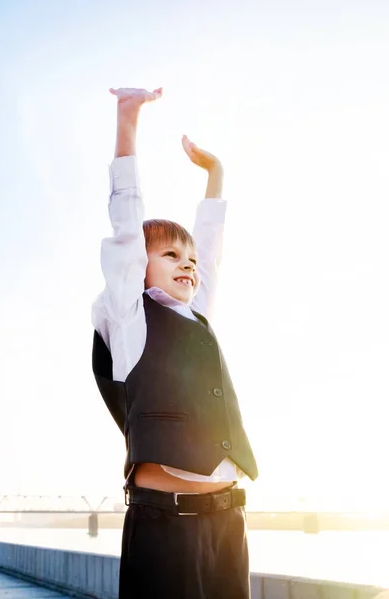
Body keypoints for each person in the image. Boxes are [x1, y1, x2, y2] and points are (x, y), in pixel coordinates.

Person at [91, 86, 258, 599]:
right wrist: (128, 121)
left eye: (186, 259)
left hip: (228, 524)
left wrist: (216, 175)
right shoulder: (130, 319)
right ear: (138, 270)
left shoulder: (198, 318)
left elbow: (210, 253)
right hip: (166, 530)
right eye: (169, 255)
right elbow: (125, 226)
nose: (186, 264)